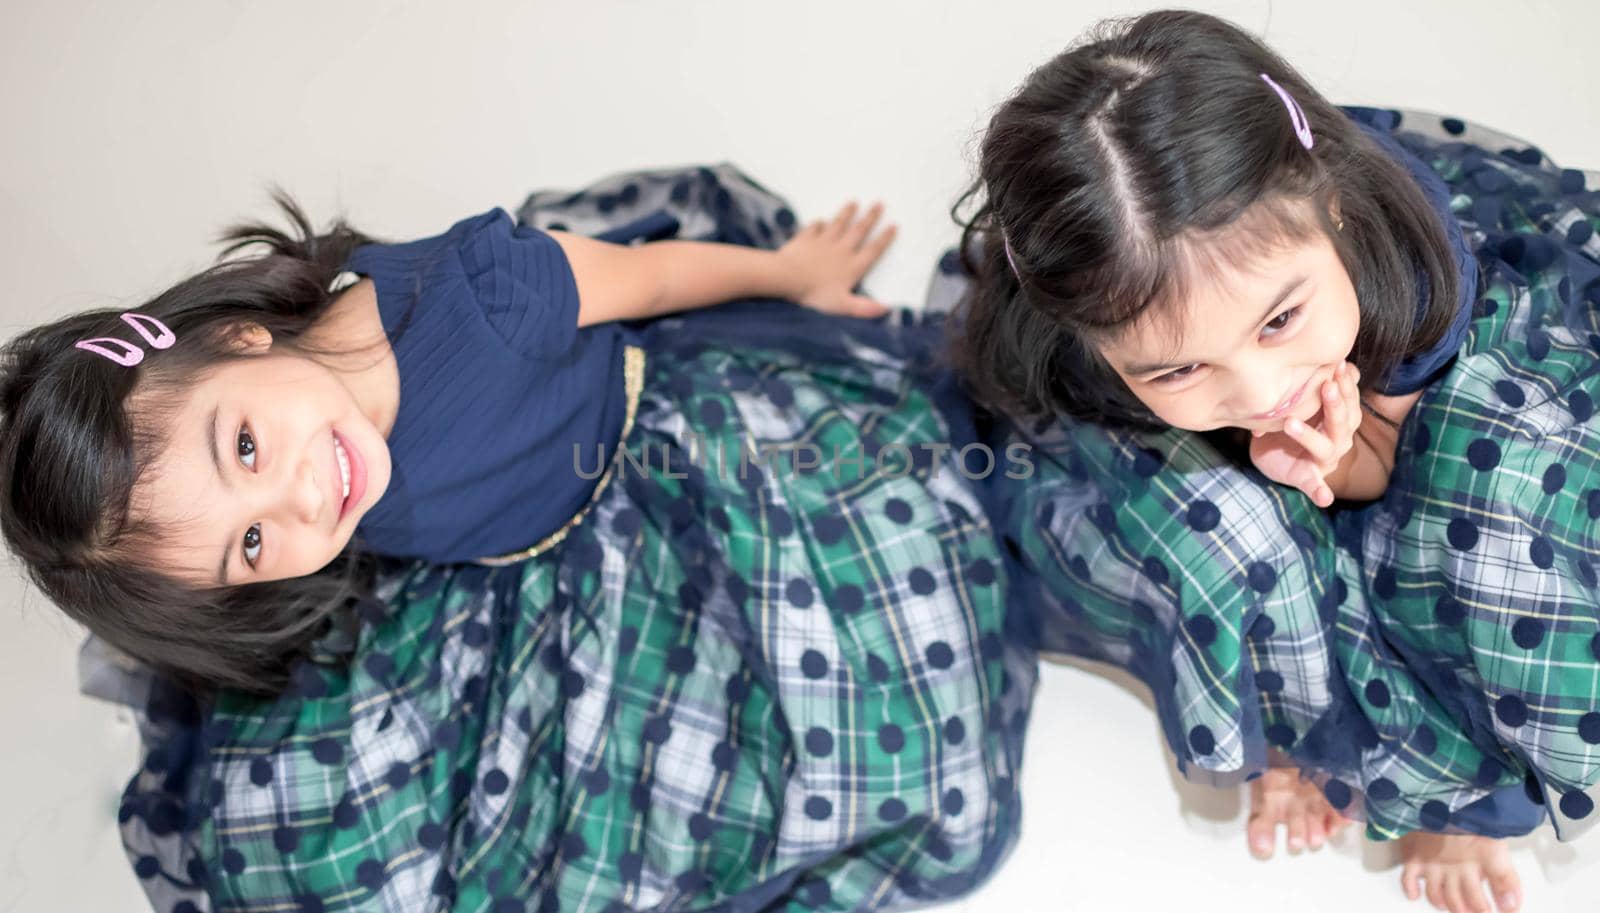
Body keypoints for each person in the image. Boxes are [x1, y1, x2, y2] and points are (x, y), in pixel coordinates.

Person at [5, 165, 1035, 911]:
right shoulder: (322, 479)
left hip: (652, 465)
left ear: (237, 338)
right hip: (512, 583)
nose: (304, 500)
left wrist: (786, 273)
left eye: (242, 445)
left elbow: (658, 280)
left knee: (859, 714)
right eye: (253, 546)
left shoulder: (486, 298)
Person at [949, 10, 1600, 913]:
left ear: (1330, 210)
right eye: (1178, 366)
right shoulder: (1087, 352)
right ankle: (1298, 722)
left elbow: (1390, 486)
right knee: (1216, 528)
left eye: (1280, 321)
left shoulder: (1406, 279)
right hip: (1244, 426)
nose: (1259, 389)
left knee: (1498, 497)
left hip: (1406, 376)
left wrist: (1339, 465)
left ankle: (1458, 788)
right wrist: (1292, 470)